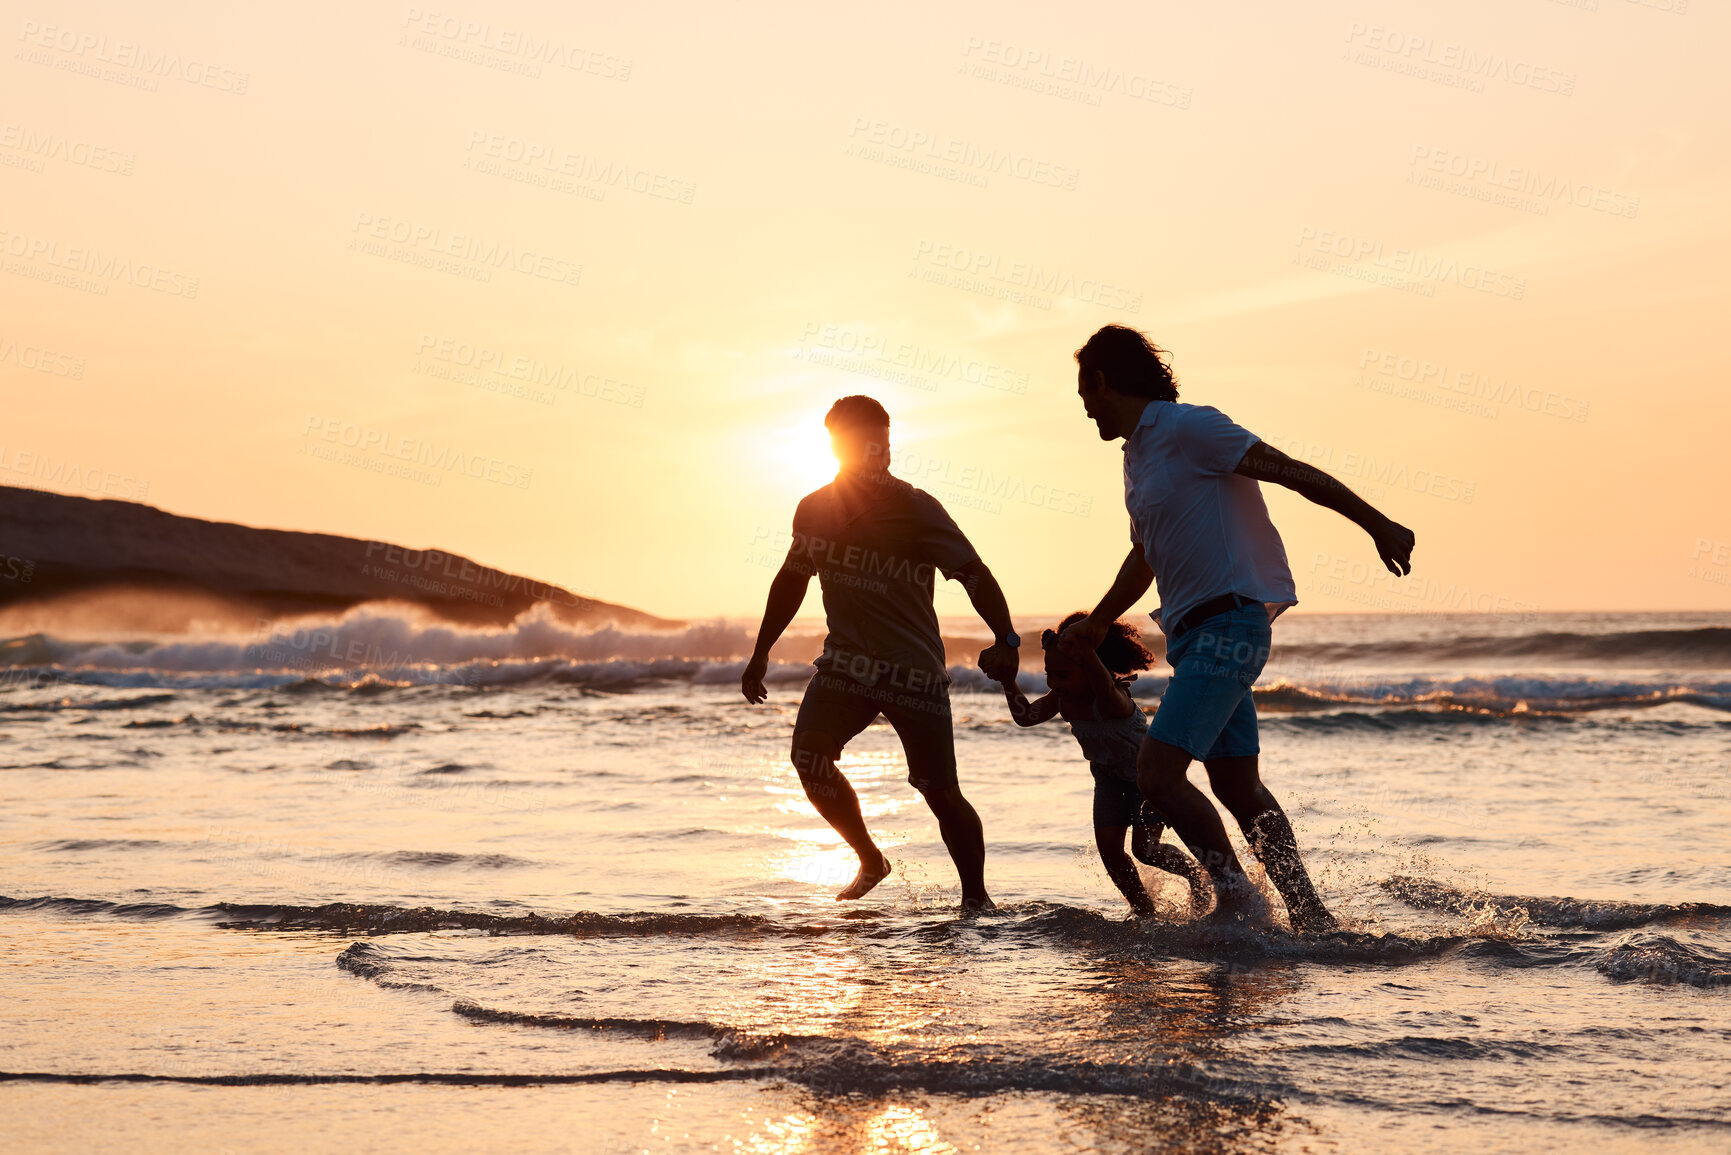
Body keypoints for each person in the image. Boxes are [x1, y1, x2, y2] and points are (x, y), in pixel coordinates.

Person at [1061, 325, 1416, 932]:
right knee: (1235, 781)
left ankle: (1238, 900)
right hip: (1196, 633)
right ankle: (1309, 914)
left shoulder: (1188, 427)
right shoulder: (1137, 458)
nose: (1086, 409)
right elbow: (1145, 555)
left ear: (1101, 379)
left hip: (1232, 619)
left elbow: (1287, 470)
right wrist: (1097, 621)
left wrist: (1376, 522)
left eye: (1084, 394)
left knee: (1157, 773)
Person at [740, 395, 1023, 910]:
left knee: (939, 790)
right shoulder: (813, 508)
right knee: (809, 755)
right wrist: (761, 651)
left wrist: (1005, 637)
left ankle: (977, 901)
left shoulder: (916, 507)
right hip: (844, 663)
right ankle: (871, 859)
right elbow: (791, 579)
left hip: (913, 669)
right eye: (869, 443)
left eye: (887, 442)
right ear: (837, 446)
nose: (882, 453)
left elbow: (973, 572)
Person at [995, 613, 1210, 917]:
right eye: (1049, 674)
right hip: (1108, 779)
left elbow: (1104, 685)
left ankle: (1196, 875)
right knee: (1110, 852)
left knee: (1145, 850)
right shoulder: (1061, 698)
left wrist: (1088, 651)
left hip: (1146, 778)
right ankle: (1143, 911)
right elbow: (1025, 717)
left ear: (1091, 665)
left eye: (1063, 675)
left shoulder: (1112, 699)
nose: (1055, 683)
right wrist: (1007, 680)